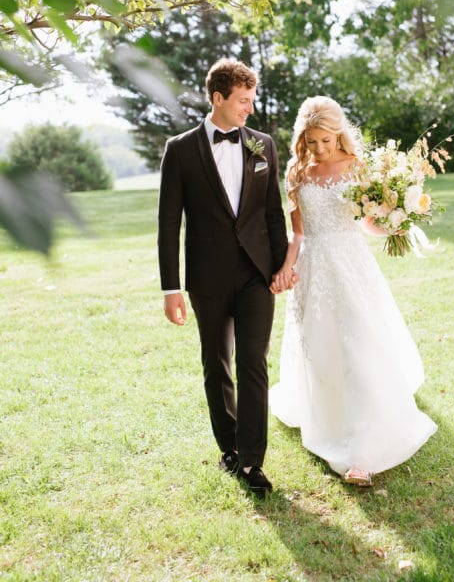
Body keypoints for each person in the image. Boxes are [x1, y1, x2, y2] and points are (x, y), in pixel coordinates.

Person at [269, 96, 437, 486]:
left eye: (326, 141)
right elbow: (298, 233)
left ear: (339, 134)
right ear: (303, 139)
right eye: (312, 142)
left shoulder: (357, 167)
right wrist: (288, 267)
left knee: (359, 346)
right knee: (324, 350)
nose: (319, 149)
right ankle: (329, 418)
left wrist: (395, 221)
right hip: (313, 269)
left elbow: (367, 222)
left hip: (351, 265)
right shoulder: (297, 173)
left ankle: (362, 452)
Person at [158, 58, 288, 497]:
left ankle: (252, 462)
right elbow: (167, 223)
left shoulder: (263, 145)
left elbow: (272, 212)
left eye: (252, 100)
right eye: (242, 101)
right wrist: (171, 288)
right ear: (218, 98)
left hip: (256, 275)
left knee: (254, 364)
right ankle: (229, 447)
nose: (249, 109)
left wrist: (281, 266)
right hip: (206, 278)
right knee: (217, 364)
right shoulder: (179, 150)